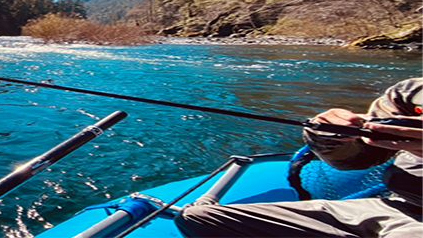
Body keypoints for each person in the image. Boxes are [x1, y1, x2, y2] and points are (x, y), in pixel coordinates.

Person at [175, 77, 423, 238]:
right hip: (397, 206)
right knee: (199, 219)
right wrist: (325, 136)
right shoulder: (409, 93)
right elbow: (358, 159)